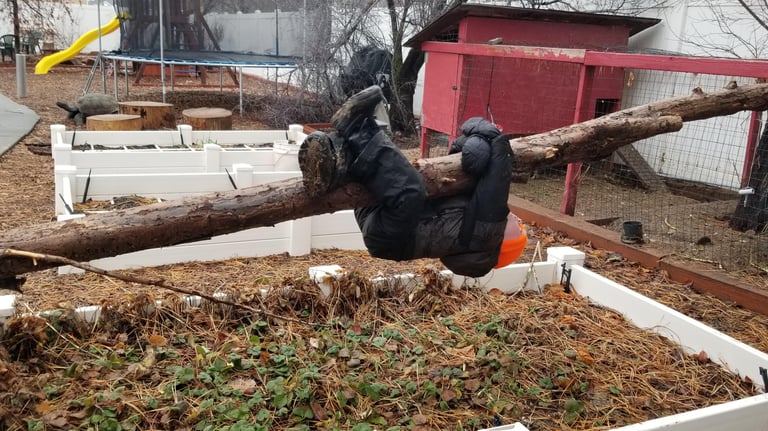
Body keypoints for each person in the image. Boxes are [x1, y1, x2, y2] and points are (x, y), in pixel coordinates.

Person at [298, 86, 527, 277]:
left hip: (392, 232)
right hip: (384, 222)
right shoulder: (476, 225)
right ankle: (335, 160)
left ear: (503, 243)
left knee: (410, 190)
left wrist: (481, 129)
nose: (519, 220)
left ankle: (355, 126)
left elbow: (500, 157)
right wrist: (467, 146)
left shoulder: (488, 231)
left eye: (520, 229)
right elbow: (457, 179)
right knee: (382, 170)